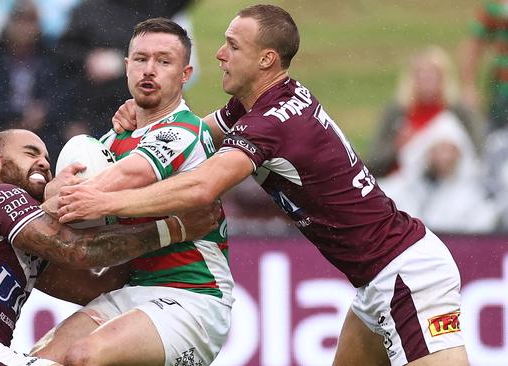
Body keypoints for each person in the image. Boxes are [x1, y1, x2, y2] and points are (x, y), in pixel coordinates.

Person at [58, 5, 469, 366]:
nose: (220, 54)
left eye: (233, 46)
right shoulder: (257, 105)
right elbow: (190, 136)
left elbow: (202, 186)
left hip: (406, 274)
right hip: (374, 281)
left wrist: (104, 199)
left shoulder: (269, 123)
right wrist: (147, 120)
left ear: (266, 59)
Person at [0, 128, 219, 365]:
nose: (44, 163)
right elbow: (79, 250)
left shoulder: (25, 244)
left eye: (46, 158)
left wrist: (136, 210)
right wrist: (173, 228)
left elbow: (98, 286)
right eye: (31, 154)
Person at [31, 18, 232, 366]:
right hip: (130, 294)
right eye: (140, 59)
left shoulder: (185, 129)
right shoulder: (111, 142)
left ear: (185, 74)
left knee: (85, 357)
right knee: (40, 360)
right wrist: (53, 196)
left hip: (192, 296)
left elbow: (130, 174)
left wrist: (50, 200)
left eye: (164, 61)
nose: (149, 70)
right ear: (126, 67)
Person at [53, 0, 193, 138]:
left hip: (154, 109)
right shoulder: (89, 10)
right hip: (97, 110)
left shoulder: (156, 6)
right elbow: (62, 53)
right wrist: (88, 59)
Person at [0, 0, 71, 162]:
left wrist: (43, 112)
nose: (24, 28)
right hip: (0, 128)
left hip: (45, 131)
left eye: (30, 21)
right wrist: (18, 115)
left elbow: (63, 95)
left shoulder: (51, 57)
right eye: (19, 20)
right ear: (8, 23)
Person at [368, 46, 483, 177]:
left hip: (452, 183)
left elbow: (478, 152)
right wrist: (397, 147)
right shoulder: (397, 113)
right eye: (421, 75)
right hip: (403, 182)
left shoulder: (459, 112)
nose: (427, 80)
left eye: (433, 74)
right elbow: (373, 161)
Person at [378, 113, 499, 233]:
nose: (445, 157)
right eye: (441, 149)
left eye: (450, 150)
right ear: (428, 151)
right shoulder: (407, 186)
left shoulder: (470, 193)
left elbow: (481, 225)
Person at [460, 0, 508, 132]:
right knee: (497, 140)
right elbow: (473, 46)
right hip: (502, 91)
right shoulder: (495, 6)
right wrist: (468, 86)